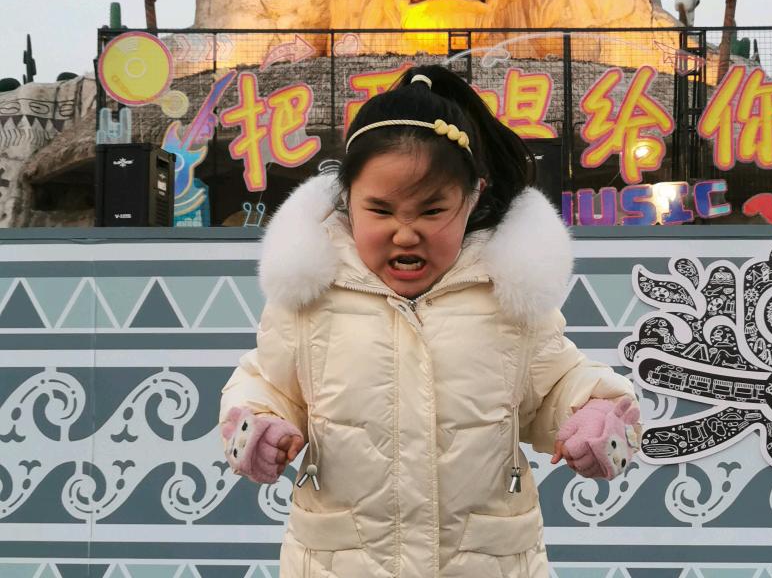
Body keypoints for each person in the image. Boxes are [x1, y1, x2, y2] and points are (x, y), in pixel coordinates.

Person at [219, 64, 641, 578]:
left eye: (431, 210)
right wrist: (258, 424)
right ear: (345, 200)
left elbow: (557, 385)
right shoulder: (312, 294)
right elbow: (269, 383)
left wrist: (594, 415)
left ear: (474, 197)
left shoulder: (506, 293)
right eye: (381, 209)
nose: (404, 233)